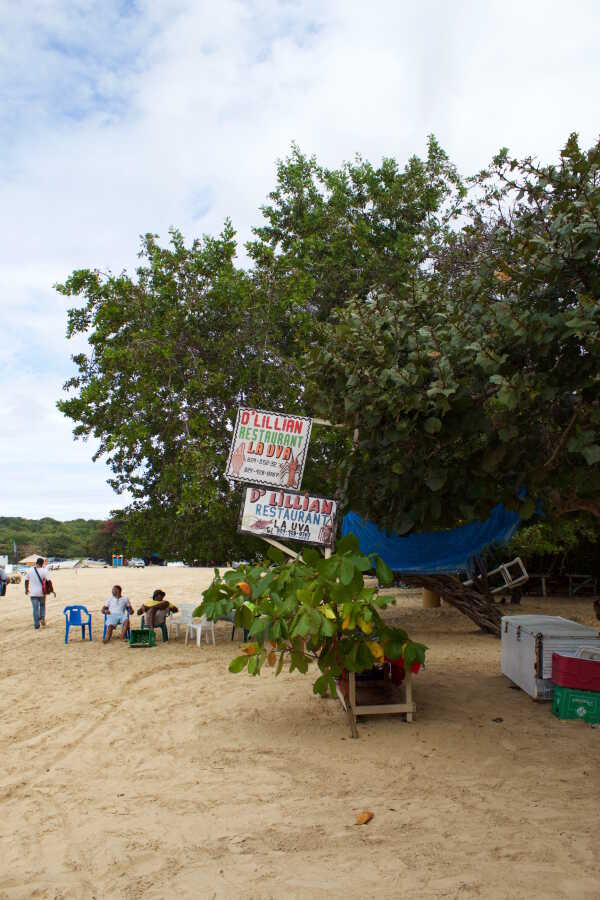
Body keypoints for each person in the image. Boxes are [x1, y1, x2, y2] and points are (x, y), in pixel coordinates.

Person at [24, 557, 54, 630]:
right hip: (42, 593)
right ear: (42, 563)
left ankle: (36, 625)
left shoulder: (30, 570)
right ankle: (42, 618)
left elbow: (26, 580)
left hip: (33, 593)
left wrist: (26, 589)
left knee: (35, 609)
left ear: (36, 562)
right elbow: (49, 581)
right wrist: (52, 590)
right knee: (42, 606)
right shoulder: (44, 571)